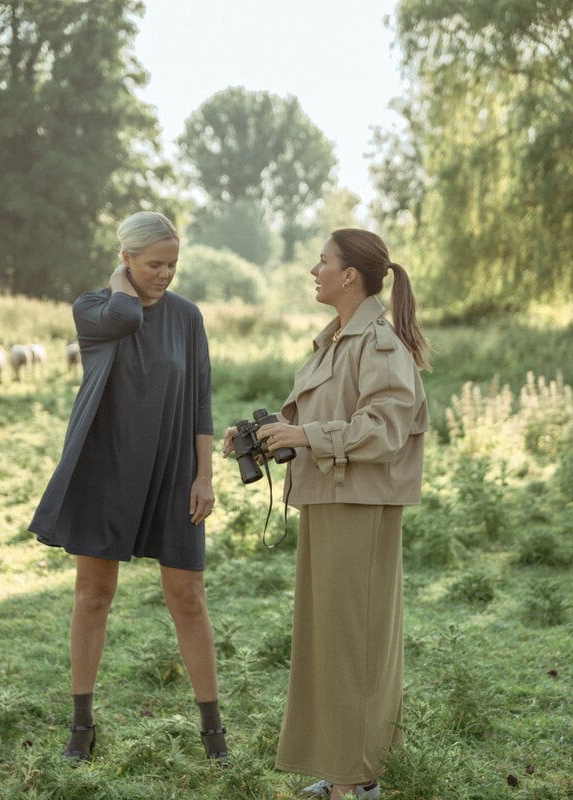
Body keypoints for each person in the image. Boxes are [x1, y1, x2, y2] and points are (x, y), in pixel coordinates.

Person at [223, 229, 430, 800]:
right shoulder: (336, 340)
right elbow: (323, 425)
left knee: (354, 642)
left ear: (348, 276)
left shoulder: (380, 344)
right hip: (327, 500)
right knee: (330, 644)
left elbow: (383, 428)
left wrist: (305, 433)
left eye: (323, 261)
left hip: (359, 505)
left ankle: (358, 782)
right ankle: (343, 768)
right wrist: (263, 439)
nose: (314, 270)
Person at [29, 211, 227, 764]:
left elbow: (201, 399)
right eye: (154, 264)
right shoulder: (93, 309)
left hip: (172, 469)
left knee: (188, 596)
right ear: (126, 259)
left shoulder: (187, 316)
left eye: (173, 264)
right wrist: (121, 285)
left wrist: (204, 475)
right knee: (93, 594)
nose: (166, 274)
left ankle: (214, 737)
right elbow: (124, 318)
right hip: (106, 466)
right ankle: (81, 726)